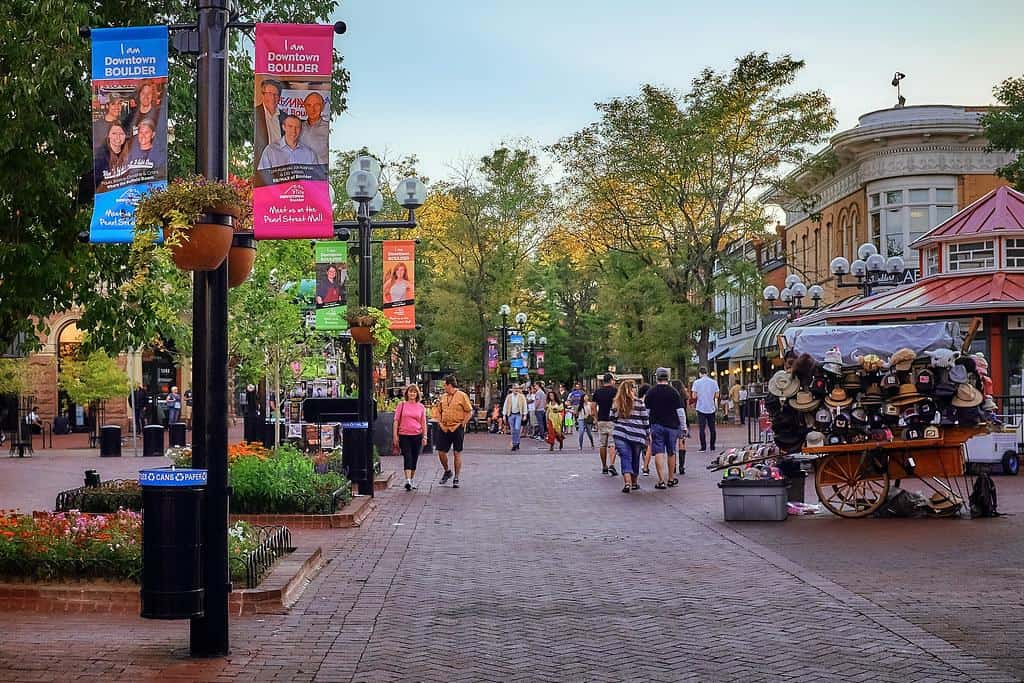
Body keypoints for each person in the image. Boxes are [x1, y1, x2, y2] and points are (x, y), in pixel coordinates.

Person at [645, 368, 683, 490]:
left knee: (659, 452)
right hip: (672, 426)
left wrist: (646, 427)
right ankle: (671, 479)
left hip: (656, 425)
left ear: (657, 378)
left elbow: (647, 412)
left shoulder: (651, 392)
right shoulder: (674, 392)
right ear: (667, 378)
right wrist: (684, 426)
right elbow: (680, 411)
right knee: (672, 452)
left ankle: (661, 480)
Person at [611, 380, 649, 493]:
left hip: (620, 434)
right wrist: (648, 434)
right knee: (635, 458)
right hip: (637, 435)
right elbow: (645, 419)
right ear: (632, 389)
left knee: (625, 457)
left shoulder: (616, 402)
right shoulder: (639, 402)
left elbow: (612, 417)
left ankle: (627, 483)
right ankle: (634, 482)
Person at [434, 375, 472, 488]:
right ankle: (447, 471)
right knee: (441, 452)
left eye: (444, 385)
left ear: (449, 385)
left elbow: (469, 411)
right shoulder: (443, 397)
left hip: (457, 427)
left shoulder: (462, 396)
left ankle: (456, 477)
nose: (444, 387)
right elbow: (438, 411)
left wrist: (462, 424)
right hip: (444, 427)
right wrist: (440, 423)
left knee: (457, 452)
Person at [393, 384, 428, 491]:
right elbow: (396, 421)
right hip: (404, 435)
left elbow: (423, 422)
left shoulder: (421, 407)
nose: (412, 394)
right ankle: (407, 480)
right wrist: (395, 435)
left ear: (417, 394)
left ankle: (411, 480)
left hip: (417, 435)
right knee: (407, 456)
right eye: (410, 391)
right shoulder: (401, 405)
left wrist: (425, 436)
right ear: (407, 393)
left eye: (414, 392)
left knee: (414, 458)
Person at [254, 78, 286, 163]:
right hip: (261, 166)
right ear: (263, 95)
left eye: (276, 94)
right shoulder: (254, 114)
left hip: (281, 166)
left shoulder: (285, 118)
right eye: (269, 93)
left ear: (279, 97)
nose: (273, 97)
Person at [94, 123, 132, 191]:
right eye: (114, 133)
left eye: (121, 134)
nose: (118, 137)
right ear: (108, 135)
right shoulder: (100, 157)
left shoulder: (131, 153)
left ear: (125, 136)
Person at [593, 373, 618, 476]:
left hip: (601, 419)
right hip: (612, 420)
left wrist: (596, 418)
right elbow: (617, 405)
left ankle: (604, 466)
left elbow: (593, 406)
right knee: (612, 444)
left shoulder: (598, 392)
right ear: (611, 380)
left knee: (602, 444)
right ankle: (612, 464)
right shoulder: (615, 391)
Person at [691, 367, 720, 452]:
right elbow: (717, 395)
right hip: (711, 407)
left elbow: (694, 396)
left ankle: (703, 447)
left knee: (702, 428)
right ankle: (712, 446)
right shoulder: (714, 382)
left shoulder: (696, 382)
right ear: (707, 373)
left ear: (700, 373)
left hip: (701, 407)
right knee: (712, 428)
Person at [299, 91, 329, 165]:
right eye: (309, 105)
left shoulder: (328, 128)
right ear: (305, 107)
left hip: (320, 173)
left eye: (316, 105)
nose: (312, 109)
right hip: (301, 172)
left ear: (322, 107)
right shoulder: (298, 127)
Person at [671, 379, 690, 475]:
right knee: (682, 443)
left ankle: (673, 466)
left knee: (672, 444)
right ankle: (681, 466)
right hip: (682, 420)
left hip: (672, 421)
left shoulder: (671, 396)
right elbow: (685, 409)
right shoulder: (684, 396)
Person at [502, 384, 528, 451]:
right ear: (512, 389)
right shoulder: (509, 397)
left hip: (518, 415)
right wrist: (504, 415)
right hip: (511, 415)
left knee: (517, 428)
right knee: (513, 430)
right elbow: (505, 406)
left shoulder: (521, 397)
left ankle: (515, 443)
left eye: (517, 388)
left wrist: (525, 414)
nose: (516, 389)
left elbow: (524, 405)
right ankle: (515, 443)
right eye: (514, 388)